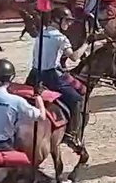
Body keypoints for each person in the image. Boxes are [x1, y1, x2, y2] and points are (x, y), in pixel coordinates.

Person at [29, 8, 84, 145]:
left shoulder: (41, 33)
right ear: (58, 20)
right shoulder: (61, 38)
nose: (69, 24)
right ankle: (72, 134)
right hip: (51, 77)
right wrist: (87, 42)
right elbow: (75, 57)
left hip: (34, 75)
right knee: (77, 100)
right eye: (67, 21)